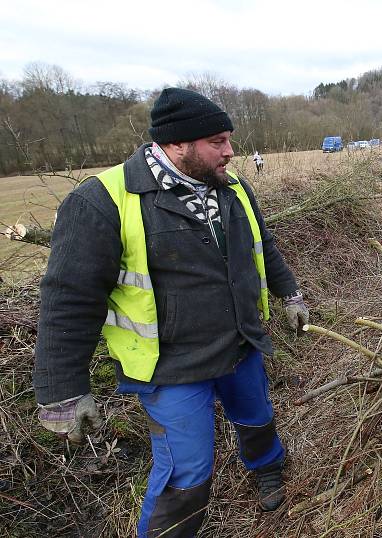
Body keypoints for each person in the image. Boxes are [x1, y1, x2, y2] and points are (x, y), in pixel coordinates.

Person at [33, 87, 309, 537]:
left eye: (229, 139)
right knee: (186, 471)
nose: (231, 151)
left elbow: (263, 247)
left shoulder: (233, 188)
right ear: (178, 143)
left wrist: (290, 293)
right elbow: (68, 299)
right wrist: (62, 390)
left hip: (241, 344)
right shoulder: (102, 201)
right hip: (169, 368)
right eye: (217, 141)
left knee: (257, 417)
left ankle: (266, 468)